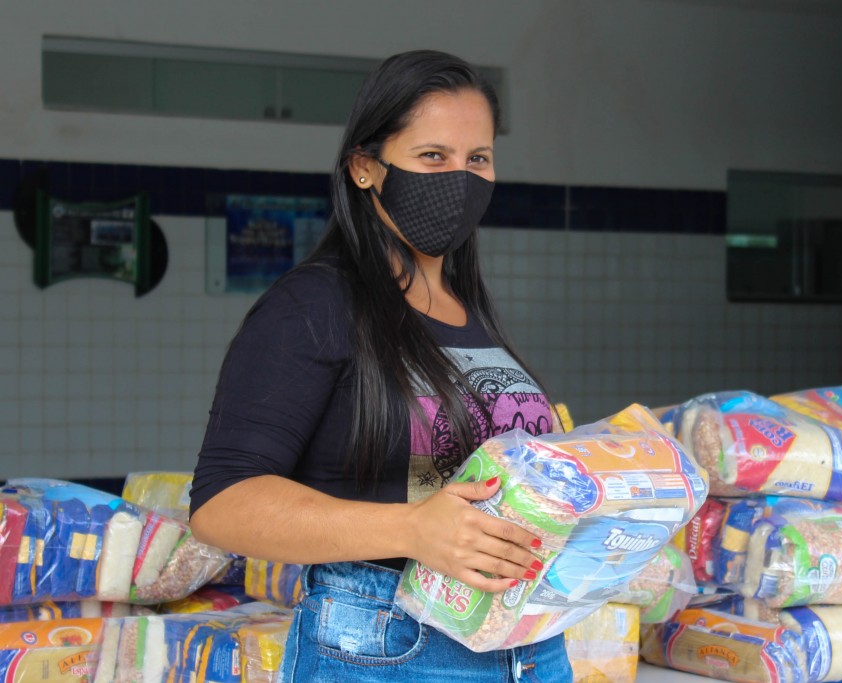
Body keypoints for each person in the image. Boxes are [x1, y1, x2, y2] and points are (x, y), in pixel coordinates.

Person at [189, 50, 572, 682]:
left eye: (477, 159)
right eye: (433, 156)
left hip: (529, 647)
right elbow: (223, 502)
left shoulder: (468, 308)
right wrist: (412, 528)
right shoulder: (313, 304)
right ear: (365, 167)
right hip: (390, 646)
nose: (460, 179)